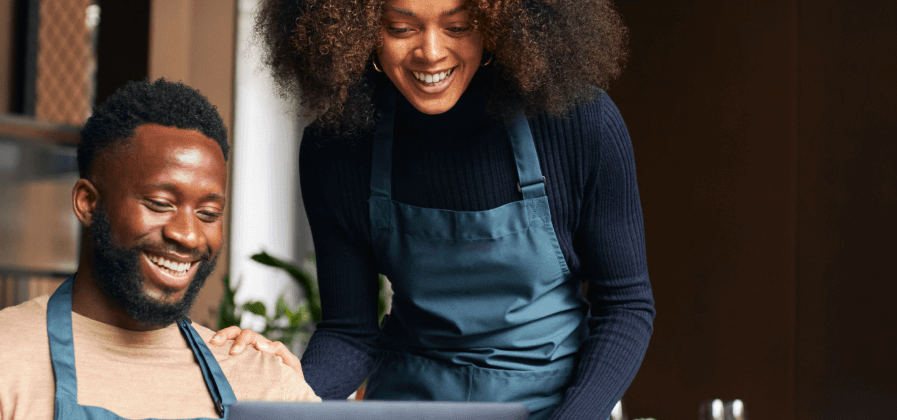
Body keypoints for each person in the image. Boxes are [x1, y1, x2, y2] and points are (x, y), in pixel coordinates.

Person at [217, 0, 654, 418]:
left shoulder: (580, 125)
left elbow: (625, 306)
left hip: (553, 406)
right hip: (407, 404)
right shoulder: (338, 147)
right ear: (359, 28)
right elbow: (349, 332)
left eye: (458, 26)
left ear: (498, 22)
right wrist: (291, 393)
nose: (430, 52)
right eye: (401, 28)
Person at [0, 79, 319, 420]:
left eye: (209, 213)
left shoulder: (263, 381)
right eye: (160, 204)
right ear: (88, 202)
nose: (189, 235)